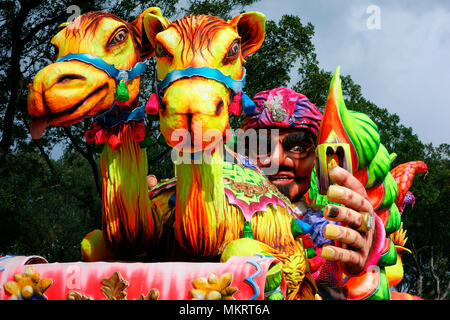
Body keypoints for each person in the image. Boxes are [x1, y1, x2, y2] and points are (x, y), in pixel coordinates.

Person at [240, 87, 379, 299]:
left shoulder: (331, 229)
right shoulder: (224, 219)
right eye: (262, 146)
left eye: (297, 147)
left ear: (317, 158)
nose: (278, 161)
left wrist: (366, 248)